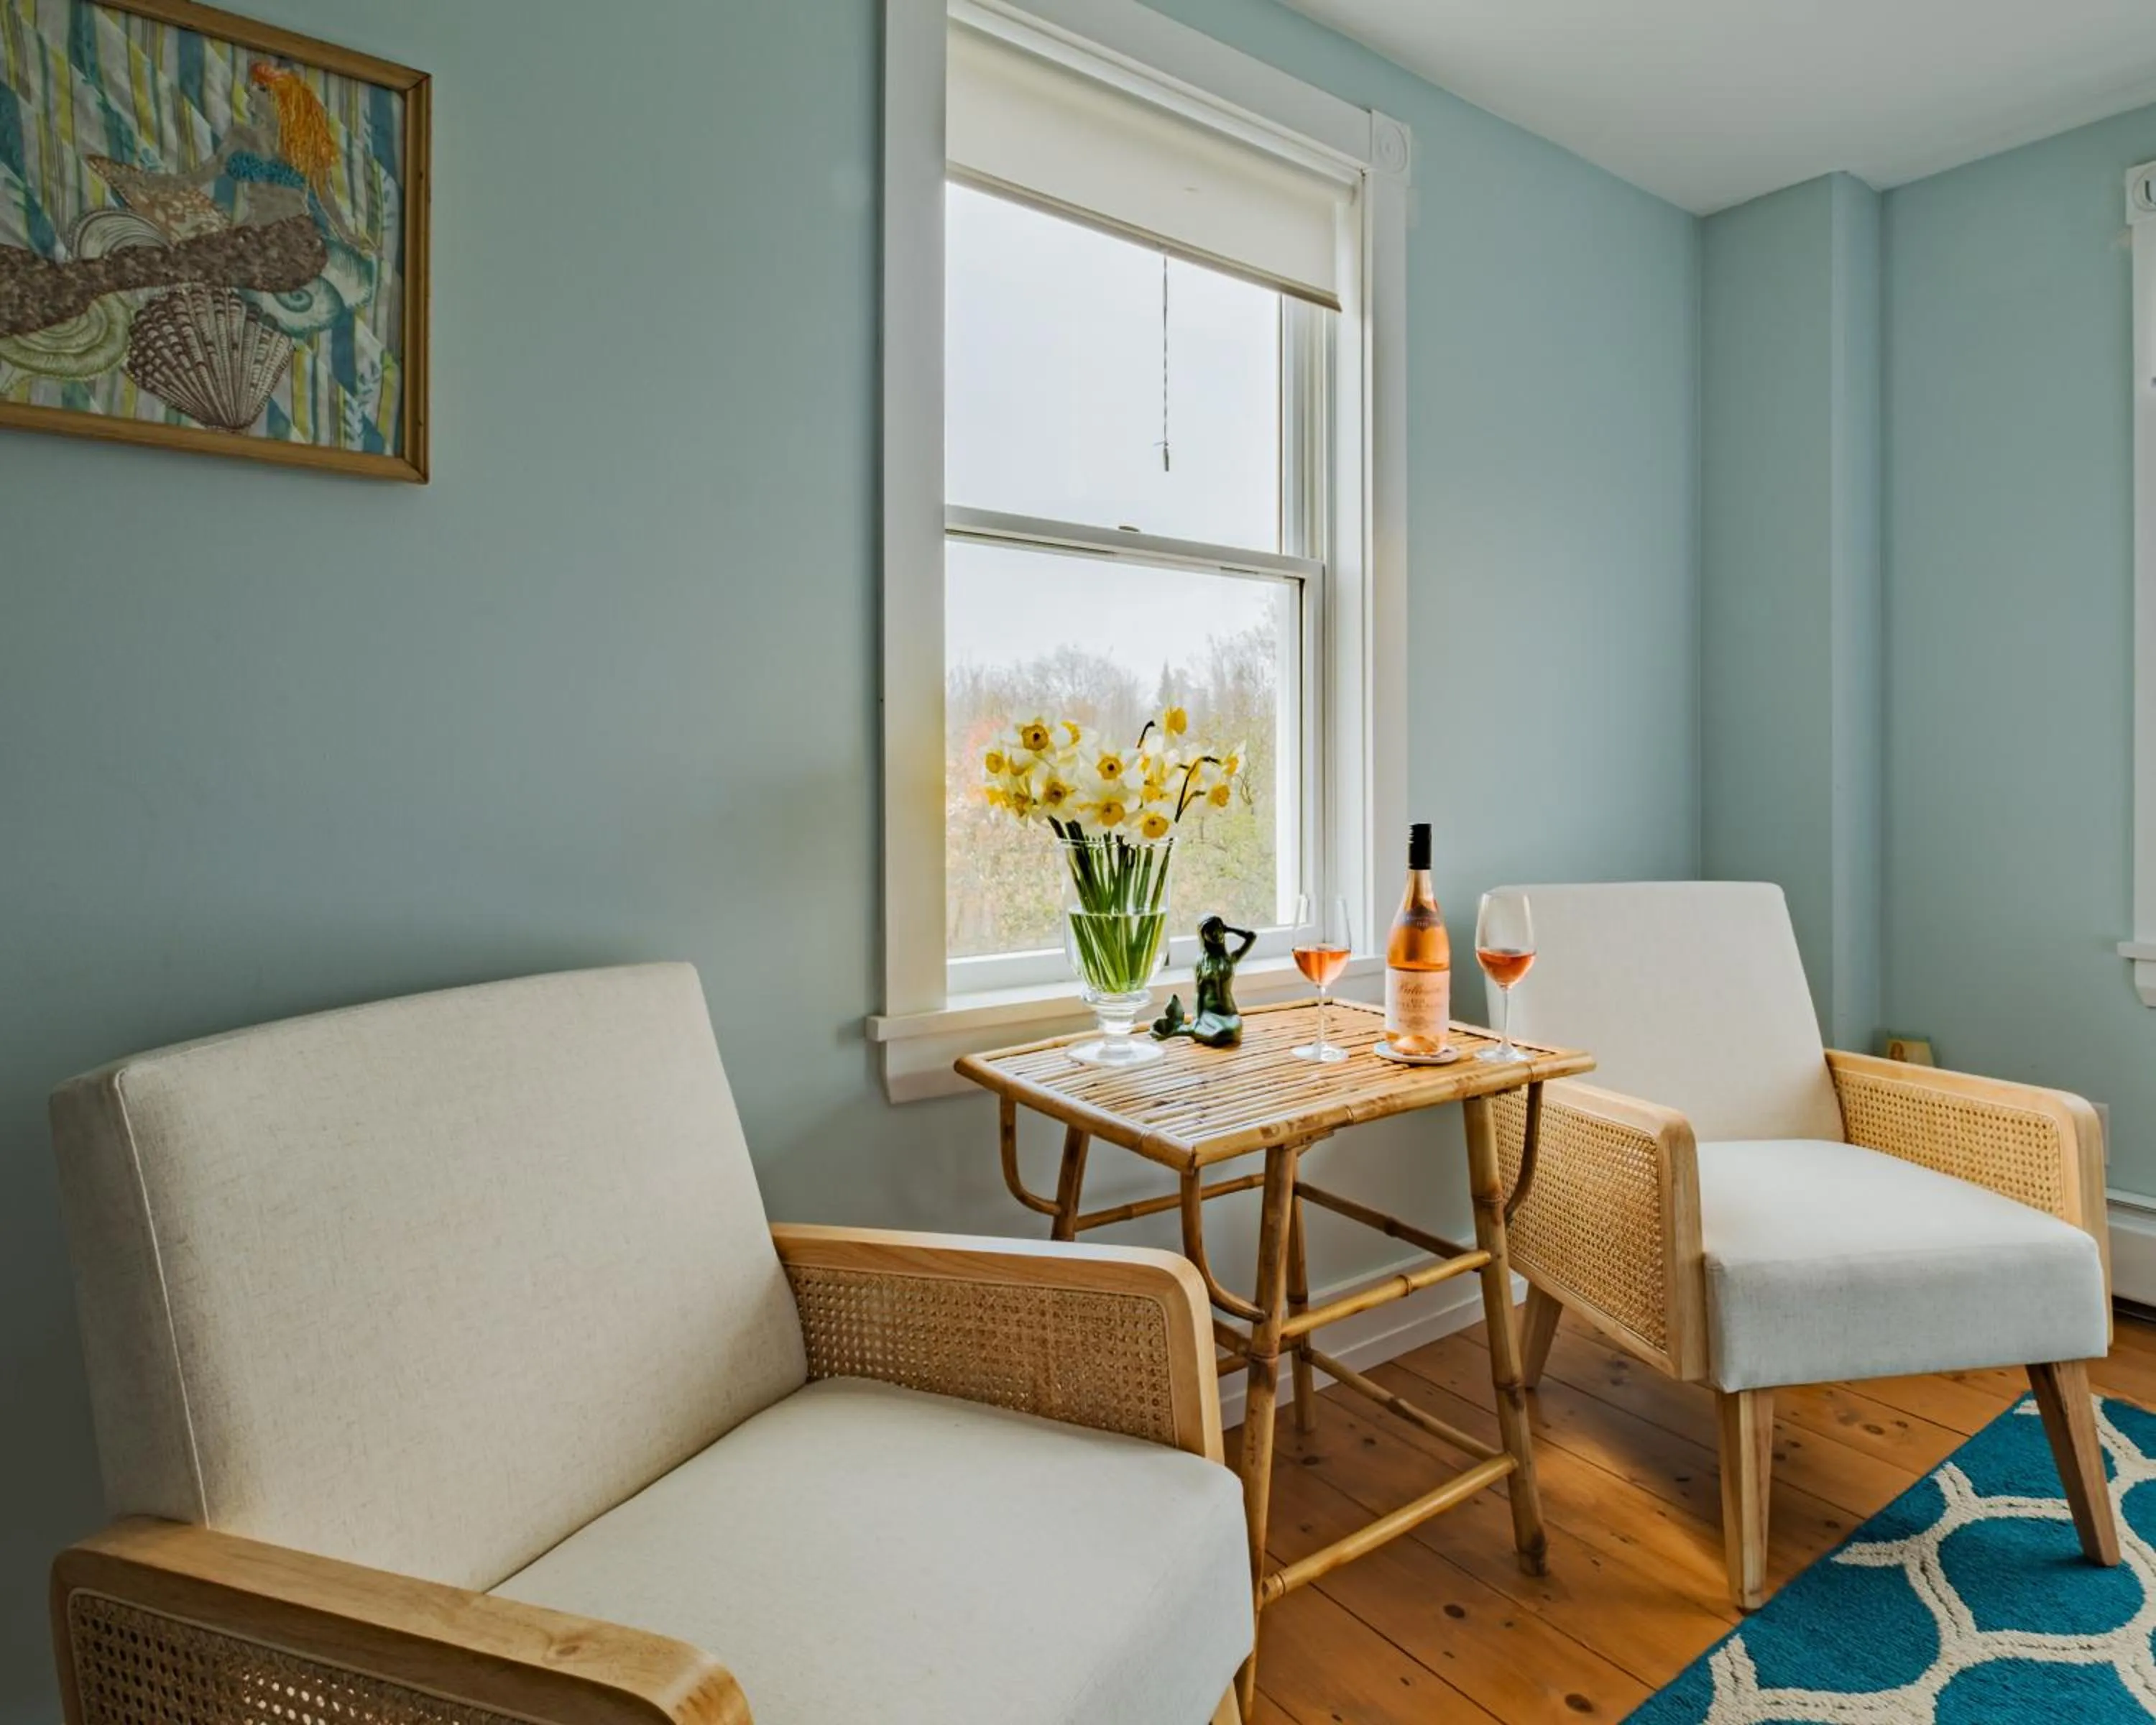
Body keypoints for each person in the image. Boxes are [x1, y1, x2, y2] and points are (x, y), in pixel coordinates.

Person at [1152, 916, 1258, 1047]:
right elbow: (1199, 993)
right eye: (1210, 931)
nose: (1215, 934)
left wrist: (1228, 929)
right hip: (1209, 1014)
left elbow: (1251, 936)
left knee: (1233, 1031)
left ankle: (1188, 1030)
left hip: (1230, 1012)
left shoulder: (1229, 959)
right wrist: (1197, 1019)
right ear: (1202, 935)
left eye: (1218, 929)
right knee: (1221, 1034)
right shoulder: (1201, 963)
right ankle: (1193, 1029)